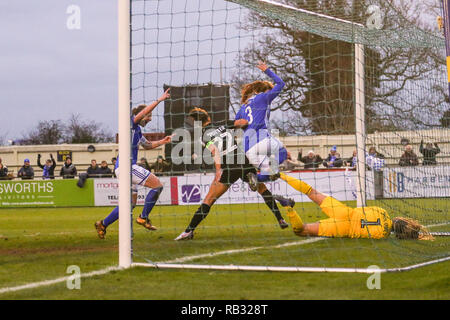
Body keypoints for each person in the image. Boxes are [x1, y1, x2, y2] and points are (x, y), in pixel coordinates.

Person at [174, 107, 288, 241]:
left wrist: (218, 171)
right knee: (262, 189)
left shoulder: (203, 136)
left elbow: (215, 152)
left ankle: (189, 231)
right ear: (208, 118)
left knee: (209, 199)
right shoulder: (223, 124)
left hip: (229, 166)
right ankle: (280, 219)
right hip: (242, 159)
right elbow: (243, 122)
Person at [95, 88, 173, 239]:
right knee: (157, 186)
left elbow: (148, 145)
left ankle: (103, 224)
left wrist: (163, 141)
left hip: (123, 168)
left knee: (129, 204)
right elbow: (143, 113)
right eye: (148, 116)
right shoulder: (131, 123)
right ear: (141, 115)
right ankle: (143, 217)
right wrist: (160, 100)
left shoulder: (137, 132)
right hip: (127, 167)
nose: (149, 119)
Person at [275, 173, 433, 240]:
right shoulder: (383, 236)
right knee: (301, 230)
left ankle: (280, 175)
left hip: (345, 212)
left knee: (311, 191)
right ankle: (289, 207)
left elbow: (364, 209)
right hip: (343, 228)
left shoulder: (382, 211)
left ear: (399, 219)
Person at [234, 61, 288, 190]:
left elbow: (235, 124)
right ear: (263, 91)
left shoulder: (243, 106)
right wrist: (266, 70)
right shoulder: (263, 98)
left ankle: (254, 177)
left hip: (247, 150)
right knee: (283, 153)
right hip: (262, 139)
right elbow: (281, 84)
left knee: (269, 171)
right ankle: (261, 175)